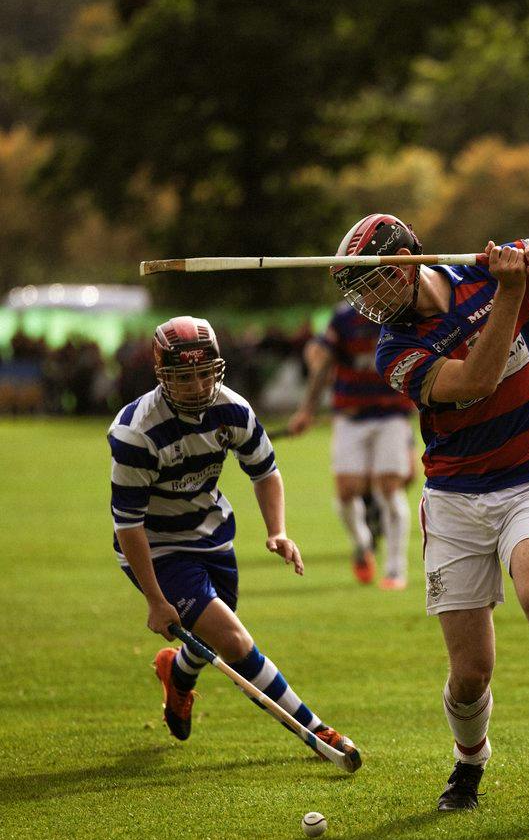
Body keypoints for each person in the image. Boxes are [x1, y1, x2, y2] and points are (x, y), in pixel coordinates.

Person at [331, 213, 529, 811]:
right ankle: (469, 763)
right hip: (454, 504)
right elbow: (476, 381)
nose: (370, 302)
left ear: (408, 262)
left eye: (375, 282)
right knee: (471, 672)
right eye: (362, 291)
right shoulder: (396, 349)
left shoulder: (493, 270)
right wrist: (513, 289)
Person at [107, 315, 357, 764]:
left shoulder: (234, 409)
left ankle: (177, 673)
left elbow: (265, 472)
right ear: (162, 375)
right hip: (157, 546)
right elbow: (128, 525)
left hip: (212, 534)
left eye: (206, 373)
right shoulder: (135, 433)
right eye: (184, 377)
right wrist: (154, 598)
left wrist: (277, 530)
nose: (198, 386)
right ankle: (317, 731)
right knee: (235, 641)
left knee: (219, 634)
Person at [288, 303, 416, 589]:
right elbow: (322, 360)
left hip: (391, 415)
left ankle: (395, 570)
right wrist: (307, 410)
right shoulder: (344, 317)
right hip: (350, 415)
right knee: (346, 491)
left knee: (389, 488)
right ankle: (363, 545)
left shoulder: (403, 311)